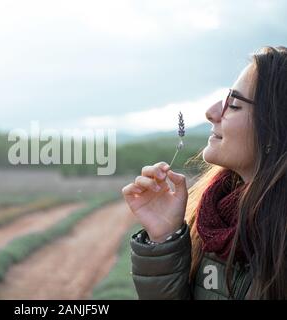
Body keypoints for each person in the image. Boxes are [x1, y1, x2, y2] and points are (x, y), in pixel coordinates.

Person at [122, 46, 287, 300]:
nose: (211, 112)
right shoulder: (216, 219)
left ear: (275, 128)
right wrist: (164, 236)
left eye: (233, 104)